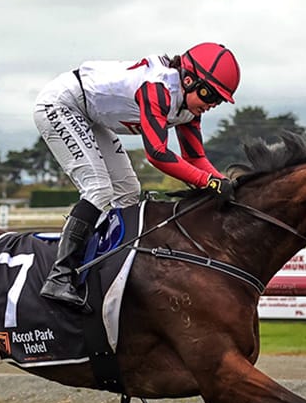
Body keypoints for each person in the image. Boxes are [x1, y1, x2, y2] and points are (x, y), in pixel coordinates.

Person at [33, 42, 240, 307]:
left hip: (91, 114)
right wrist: (208, 182)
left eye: (219, 100)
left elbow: (194, 158)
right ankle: (59, 276)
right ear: (188, 79)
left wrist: (222, 182)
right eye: (209, 95)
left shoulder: (189, 107)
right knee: (98, 189)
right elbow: (157, 154)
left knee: (129, 191)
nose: (212, 104)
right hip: (63, 104)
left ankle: (109, 266)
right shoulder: (159, 89)